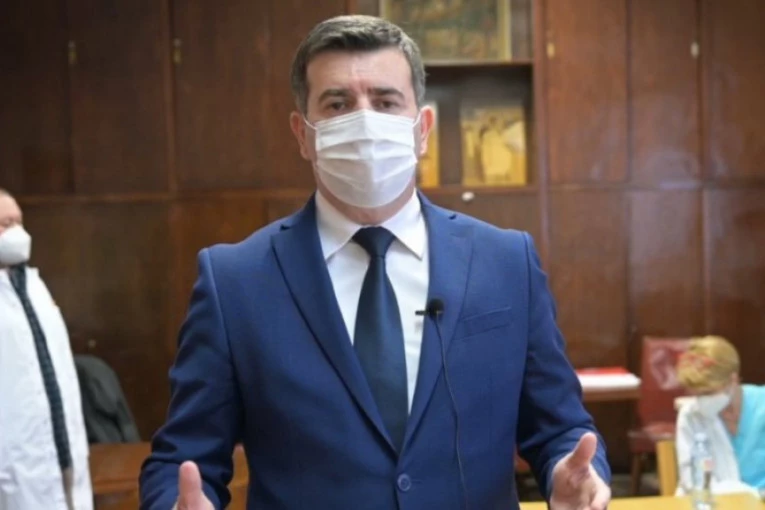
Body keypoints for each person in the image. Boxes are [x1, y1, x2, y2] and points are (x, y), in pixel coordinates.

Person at [139, 15, 611, 510]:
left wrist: (572, 473)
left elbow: (560, 426)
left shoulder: (507, 262)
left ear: (422, 129)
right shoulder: (234, 282)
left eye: (385, 102)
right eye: (338, 104)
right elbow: (182, 457)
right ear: (303, 134)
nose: (364, 123)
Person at [0, 188, 93, 510]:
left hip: (60, 450)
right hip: (13, 465)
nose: (16, 232)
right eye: (5, 224)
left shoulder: (35, 286)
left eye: (19, 221)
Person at [675, 335, 765, 497]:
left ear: (733, 379)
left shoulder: (761, 407)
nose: (702, 401)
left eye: (709, 393)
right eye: (697, 394)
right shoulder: (691, 415)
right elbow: (692, 480)